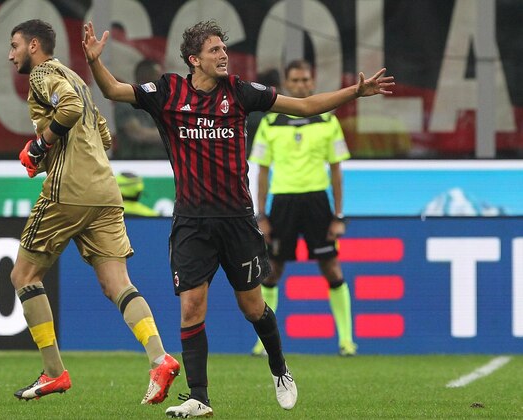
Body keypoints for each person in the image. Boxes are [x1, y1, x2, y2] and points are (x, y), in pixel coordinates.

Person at [82, 19, 393, 417]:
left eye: (224, 49)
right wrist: (94, 62)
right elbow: (111, 90)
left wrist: (356, 92)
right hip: (192, 221)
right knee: (192, 306)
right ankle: (199, 397)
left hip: (237, 220)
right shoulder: (167, 92)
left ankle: (279, 368)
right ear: (194, 59)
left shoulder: (241, 93)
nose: (223, 55)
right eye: (214, 50)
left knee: (253, 308)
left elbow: (303, 106)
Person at [7, 19, 179, 404]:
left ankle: (54, 374)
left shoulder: (43, 74)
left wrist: (39, 147)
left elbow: (65, 109)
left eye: (15, 45)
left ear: (34, 46)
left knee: (24, 274)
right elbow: (102, 135)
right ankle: (160, 358)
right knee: (116, 282)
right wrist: (55, 153)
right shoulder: (78, 79)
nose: (10, 53)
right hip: (105, 190)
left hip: (69, 191)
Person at [249, 59, 357, 358]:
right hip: (282, 202)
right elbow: (261, 171)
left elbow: (336, 170)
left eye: (305, 80)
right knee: (272, 271)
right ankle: (263, 341)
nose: (300, 85)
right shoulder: (270, 122)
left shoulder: (327, 121)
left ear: (312, 83)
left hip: (316, 203)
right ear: (286, 84)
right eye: (294, 81)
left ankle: (346, 341)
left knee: (330, 267)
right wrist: (262, 214)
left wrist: (338, 216)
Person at [113, 59, 169, 159]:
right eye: (158, 77)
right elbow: (137, 134)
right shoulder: (125, 102)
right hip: (134, 164)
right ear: (145, 78)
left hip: (163, 164)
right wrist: (171, 133)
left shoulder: (162, 103)